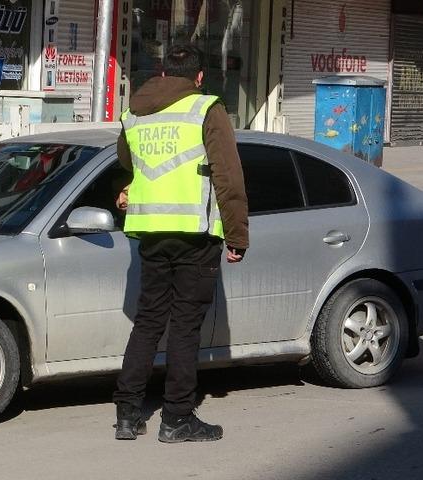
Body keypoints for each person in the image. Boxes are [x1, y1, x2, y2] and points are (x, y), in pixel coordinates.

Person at [112, 44, 249, 443]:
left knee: (149, 321)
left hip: (151, 231)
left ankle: (127, 414)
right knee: (186, 327)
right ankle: (176, 418)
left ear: (162, 72)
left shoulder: (134, 113)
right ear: (199, 77)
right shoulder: (206, 109)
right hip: (195, 231)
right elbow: (228, 176)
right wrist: (238, 235)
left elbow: (126, 160)